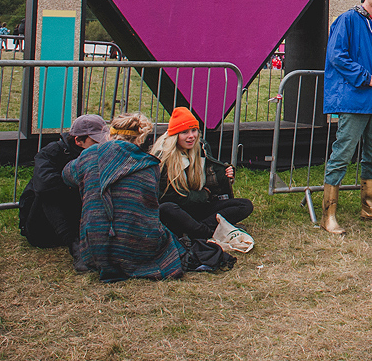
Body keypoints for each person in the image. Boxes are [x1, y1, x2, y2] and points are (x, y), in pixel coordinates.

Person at [62, 112, 185, 281]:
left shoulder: (88, 156)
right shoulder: (149, 165)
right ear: (140, 139)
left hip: (95, 249)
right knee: (169, 238)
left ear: (109, 134)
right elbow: (149, 210)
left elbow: (67, 175)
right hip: (137, 247)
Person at [319, 0, 372, 235]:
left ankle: (370, 207)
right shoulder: (347, 19)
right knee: (342, 154)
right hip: (354, 100)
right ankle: (328, 215)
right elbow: (336, 56)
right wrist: (366, 78)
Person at [152, 106, 253, 240]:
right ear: (175, 136)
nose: (191, 136)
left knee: (245, 205)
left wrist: (226, 173)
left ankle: (197, 228)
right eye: (184, 132)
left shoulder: (201, 147)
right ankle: (206, 232)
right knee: (167, 208)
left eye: (194, 131)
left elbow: (213, 179)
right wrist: (204, 195)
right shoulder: (163, 157)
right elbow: (171, 198)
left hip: (199, 207)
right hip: (178, 212)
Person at [18, 114, 109, 248]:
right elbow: (44, 185)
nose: (101, 145)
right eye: (96, 142)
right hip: (43, 227)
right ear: (78, 140)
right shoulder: (51, 152)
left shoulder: (104, 153)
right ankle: (75, 246)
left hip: (77, 219)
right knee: (47, 192)